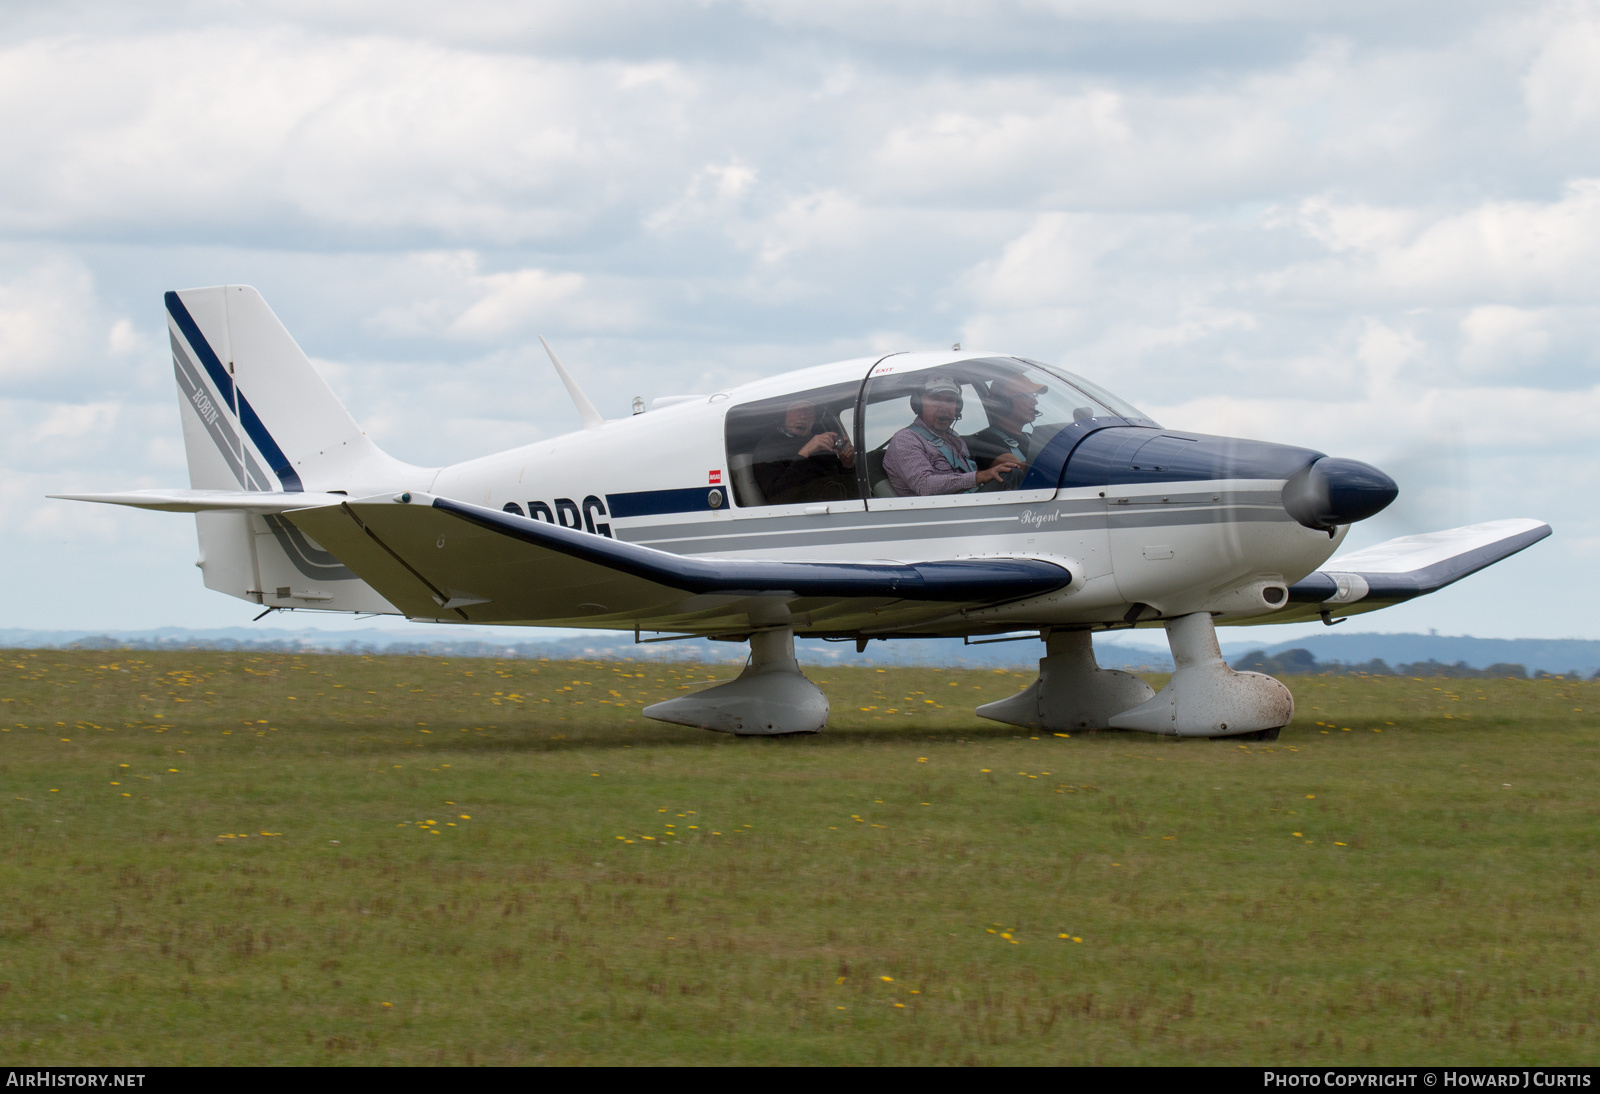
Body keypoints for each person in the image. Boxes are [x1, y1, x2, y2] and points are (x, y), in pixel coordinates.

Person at [882, 376, 1023, 496]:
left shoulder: (954, 440)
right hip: (938, 517)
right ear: (919, 404)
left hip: (967, 507)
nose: (944, 407)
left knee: (1012, 473)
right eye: (935, 399)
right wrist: (981, 476)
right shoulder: (906, 440)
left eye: (950, 400)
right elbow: (924, 485)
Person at [750, 399, 857, 504]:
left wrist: (847, 465)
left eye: (808, 410)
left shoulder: (823, 444)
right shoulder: (767, 447)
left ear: (815, 417)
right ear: (783, 414)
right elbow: (779, 498)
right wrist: (805, 453)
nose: (802, 416)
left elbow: (850, 491)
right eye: (795, 410)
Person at [965, 373, 1047, 491]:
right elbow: (1018, 469)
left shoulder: (1032, 438)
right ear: (1003, 403)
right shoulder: (985, 440)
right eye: (1027, 396)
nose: (1034, 401)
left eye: (1033, 395)